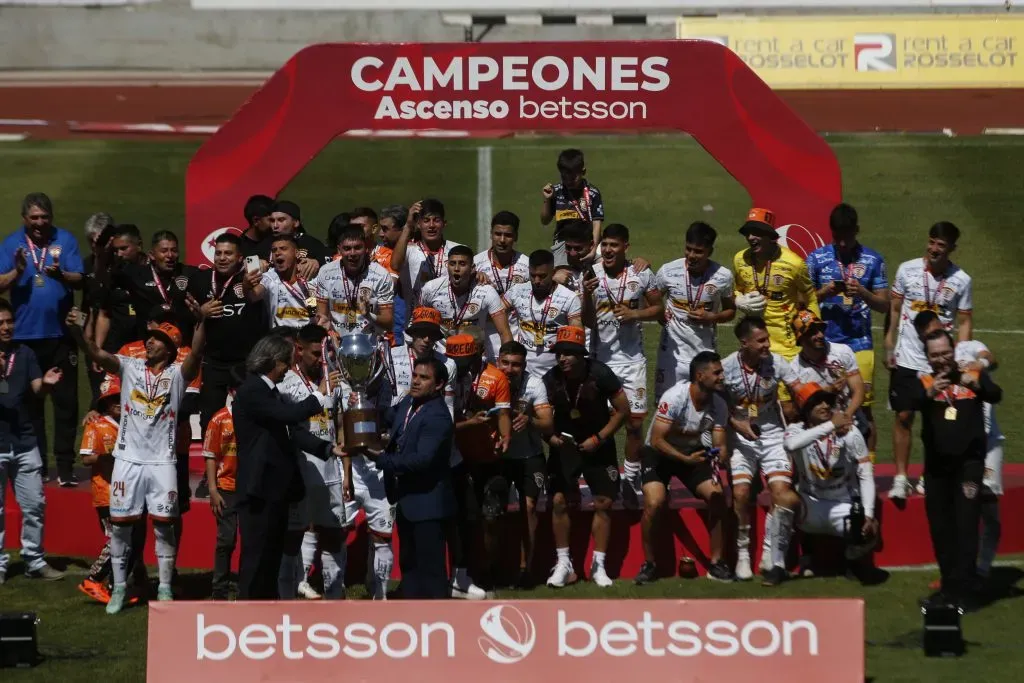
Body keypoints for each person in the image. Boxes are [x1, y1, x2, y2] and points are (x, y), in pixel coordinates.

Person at [67, 301, 207, 614]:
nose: (149, 341)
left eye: (157, 339)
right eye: (150, 337)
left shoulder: (178, 375)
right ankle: (117, 588)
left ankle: (166, 587)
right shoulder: (129, 366)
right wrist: (77, 331)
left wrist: (202, 322)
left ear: (170, 348)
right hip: (127, 462)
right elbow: (96, 353)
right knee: (120, 527)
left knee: (164, 527)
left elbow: (196, 353)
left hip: (162, 464)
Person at [232, 334, 341, 600]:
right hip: (258, 489)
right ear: (273, 362)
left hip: (274, 490)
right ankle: (248, 615)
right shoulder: (253, 390)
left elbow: (291, 431)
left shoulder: (270, 393)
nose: (288, 369)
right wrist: (319, 394)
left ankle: (266, 612)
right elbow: (289, 416)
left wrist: (327, 449)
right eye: (286, 364)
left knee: (270, 556)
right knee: (256, 559)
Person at [369, 307, 456, 599]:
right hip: (406, 502)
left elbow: (422, 460)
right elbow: (387, 416)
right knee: (410, 567)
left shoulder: (438, 417)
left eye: (424, 378)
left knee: (430, 572)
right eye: (415, 376)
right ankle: (412, 621)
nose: (416, 381)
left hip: (428, 505)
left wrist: (383, 459)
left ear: (440, 385)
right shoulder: (410, 403)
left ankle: (438, 628)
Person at [911, 330, 1001, 609]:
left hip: (968, 466)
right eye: (935, 354)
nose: (941, 359)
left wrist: (972, 384)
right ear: (928, 356)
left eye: (945, 353)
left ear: (954, 351)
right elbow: (906, 404)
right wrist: (929, 393)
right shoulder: (924, 379)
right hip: (936, 469)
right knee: (940, 528)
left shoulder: (971, 373)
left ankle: (967, 591)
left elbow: (996, 394)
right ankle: (948, 588)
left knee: (965, 526)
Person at [0, 192, 85, 485]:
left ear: (51, 218)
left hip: (61, 335)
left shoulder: (65, 240)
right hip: (24, 337)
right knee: (29, 403)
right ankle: (36, 464)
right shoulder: (12, 244)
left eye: (44, 217)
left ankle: (64, 467)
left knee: (65, 402)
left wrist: (61, 275)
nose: (39, 223)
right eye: (34, 218)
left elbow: (79, 277)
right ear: (25, 218)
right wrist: (18, 271)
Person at [885, 222, 972, 502]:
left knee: (938, 420)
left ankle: (929, 475)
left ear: (952, 249)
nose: (934, 249)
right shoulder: (907, 270)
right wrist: (889, 344)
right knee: (904, 415)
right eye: (932, 242)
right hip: (908, 357)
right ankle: (900, 478)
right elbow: (895, 309)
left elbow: (964, 321)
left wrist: (959, 356)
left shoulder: (962, 280)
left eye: (941, 245)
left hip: (938, 362)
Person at [579, 224, 662, 507]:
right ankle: (605, 475)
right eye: (604, 245)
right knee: (599, 424)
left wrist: (635, 312)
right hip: (600, 361)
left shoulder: (641, 273)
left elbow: (658, 308)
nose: (608, 250)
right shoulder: (592, 274)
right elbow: (588, 321)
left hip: (632, 361)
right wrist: (586, 295)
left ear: (626, 246)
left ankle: (631, 477)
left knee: (635, 423)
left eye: (614, 245)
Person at [635, 351, 735, 584]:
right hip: (659, 454)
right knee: (654, 502)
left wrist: (721, 453)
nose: (722, 377)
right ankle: (649, 564)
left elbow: (719, 440)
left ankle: (717, 563)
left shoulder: (718, 404)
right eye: (717, 372)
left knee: (717, 496)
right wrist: (684, 459)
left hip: (693, 455)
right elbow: (658, 440)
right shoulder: (675, 397)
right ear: (700, 376)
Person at [543, 326, 629, 588]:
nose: (562, 359)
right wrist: (551, 438)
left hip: (598, 443)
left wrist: (600, 438)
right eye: (559, 353)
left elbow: (623, 410)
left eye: (568, 353)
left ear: (581, 354)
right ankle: (563, 563)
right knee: (558, 500)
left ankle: (598, 564)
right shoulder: (550, 378)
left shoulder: (601, 373)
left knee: (603, 501)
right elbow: (540, 416)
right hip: (565, 444)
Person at [721, 316, 802, 585]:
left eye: (767, 339)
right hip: (741, 439)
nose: (767, 345)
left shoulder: (776, 362)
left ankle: (770, 551)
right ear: (744, 343)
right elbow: (717, 405)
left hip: (772, 434)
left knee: (782, 494)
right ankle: (743, 553)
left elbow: (800, 389)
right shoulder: (727, 368)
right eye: (761, 341)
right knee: (742, 493)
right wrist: (735, 423)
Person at [806, 203, 889, 461]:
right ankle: (822, 464)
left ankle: (868, 469)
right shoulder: (816, 259)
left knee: (862, 410)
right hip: (824, 345)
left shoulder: (873, 260)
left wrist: (863, 293)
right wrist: (822, 293)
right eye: (837, 237)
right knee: (820, 406)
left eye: (848, 236)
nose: (842, 243)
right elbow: (802, 302)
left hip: (859, 344)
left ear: (857, 230)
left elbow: (885, 305)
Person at [278, 324, 349, 600]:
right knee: (293, 539)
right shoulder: (286, 383)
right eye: (315, 354)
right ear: (299, 349)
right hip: (302, 471)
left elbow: (340, 425)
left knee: (333, 535)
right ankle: (285, 602)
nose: (321, 360)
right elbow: (289, 426)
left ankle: (334, 598)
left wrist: (347, 473)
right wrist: (318, 391)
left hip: (331, 471)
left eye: (324, 354)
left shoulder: (334, 379)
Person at [784, 383, 879, 583]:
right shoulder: (795, 430)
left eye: (828, 401)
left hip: (842, 503)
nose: (825, 406)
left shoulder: (849, 432)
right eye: (818, 402)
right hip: (811, 501)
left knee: (863, 520)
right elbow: (791, 445)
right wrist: (830, 426)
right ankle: (793, 560)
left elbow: (865, 473)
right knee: (782, 504)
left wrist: (869, 513)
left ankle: (853, 563)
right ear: (806, 409)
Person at [0, 298, 66, 584]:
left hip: (25, 442)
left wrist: (46, 385)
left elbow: (36, 389)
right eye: (0, 323)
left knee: (35, 505)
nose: (6, 327)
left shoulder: (24, 353)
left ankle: (34, 561)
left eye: (9, 321)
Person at [447, 332, 510, 597]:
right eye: (456, 360)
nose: (460, 365)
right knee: (465, 519)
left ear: (477, 353)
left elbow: (504, 411)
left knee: (490, 517)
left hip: (488, 456)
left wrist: (506, 436)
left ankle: (486, 574)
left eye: (465, 360)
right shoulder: (447, 375)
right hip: (460, 458)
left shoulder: (496, 376)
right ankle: (463, 574)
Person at [188, 232, 266, 438]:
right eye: (218, 253)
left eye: (228, 254)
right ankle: (211, 468)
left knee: (249, 417)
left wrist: (251, 282)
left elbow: (258, 295)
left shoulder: (250, 277)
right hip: (214, 362)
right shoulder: (201, 279)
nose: (222, 258)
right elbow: (191, 318)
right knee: (209, 420)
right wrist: (201, 313)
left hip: (247, 362)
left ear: (240, 257)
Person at [654, 221, 736, 400]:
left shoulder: (723, 276)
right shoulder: (668, 270)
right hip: (671, 356)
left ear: (710, 252)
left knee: (703, 410)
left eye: (698, 251)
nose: (691, 256)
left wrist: (712, 317)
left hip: (704, 355)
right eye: (688, 249)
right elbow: (651, 296)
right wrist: (660, 313)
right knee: (667, 410)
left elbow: (731, 311)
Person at [495, 340, 553, 588]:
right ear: (498, 361)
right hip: (498, 456)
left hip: (529, 455)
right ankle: (492, 567)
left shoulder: (534, 384)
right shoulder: (489, 380)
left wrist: (529, 420)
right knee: (492, 510)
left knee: (528, 508)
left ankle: (524, 569)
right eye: (505, 363)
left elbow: (548, 423)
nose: (509, 369)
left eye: (516, 365)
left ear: (524, 365)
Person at [733, 207, 820, 361]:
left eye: (757, 232)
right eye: (748, 232)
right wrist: (738, 300)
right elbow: (736, 290)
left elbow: (810, 299)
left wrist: (812, 332)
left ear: (770, 236)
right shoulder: (740, 259)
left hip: (787, 348)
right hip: (753, 347)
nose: (751, 237)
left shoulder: (795, 264)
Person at [77, 374, 126, 603]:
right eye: (112, 398)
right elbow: (86, 458)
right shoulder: (96, 425)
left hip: (127, 490)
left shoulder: (129, 423)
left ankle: (120, 585)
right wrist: (108, 457)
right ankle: (93, 579)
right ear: (105, 403)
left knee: (127, 538)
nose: (117, 402)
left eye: (119, 397)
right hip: (105, 492)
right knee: (116, 539)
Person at [419, 245, 512, 360]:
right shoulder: (431, 289)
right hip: (441, 357)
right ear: (447, 265)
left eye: (462, 264)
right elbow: (420, 325)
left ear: (472, 268)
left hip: (472, 357)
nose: (456, 268)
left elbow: (504, 332)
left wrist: (507, 361)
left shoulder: (487, 292)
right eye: (452, 264)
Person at [502, 249, 583, 377]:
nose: (537, 281)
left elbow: (576, 335)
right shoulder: (517, 291)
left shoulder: (569, 297)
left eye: (542, 276)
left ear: (553, 272)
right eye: (533, 275)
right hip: (523, 367)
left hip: (554, 369)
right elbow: (495, 313)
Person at [312, 225, 394, 340]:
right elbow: (322, 315)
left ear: (366, 248)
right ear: (339, 249)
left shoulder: (381, 275)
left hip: (370, 343)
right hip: (338, 342)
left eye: (357, 247)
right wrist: (325, 326)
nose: (352, 253)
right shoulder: (326, 272)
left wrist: (368, 315)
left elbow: (389, 323)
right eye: (347, 248)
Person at [789, 310, 865, 430]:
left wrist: (846, 417)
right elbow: (803, 406)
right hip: (819, 430)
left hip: (850, 420)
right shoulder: (794, 369)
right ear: (801, 338)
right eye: (813, 332)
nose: (820, 335)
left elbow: (859, 390)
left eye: (821, 329)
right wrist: (829, 391)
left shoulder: (843, 351)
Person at [203, 372, 241, 600]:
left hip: (249, 488)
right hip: (226, 488)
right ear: (231, 392)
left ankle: (247, 588)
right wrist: (213, 490)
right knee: (226, 540)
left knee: (252, 541)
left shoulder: (253, 416)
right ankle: (219, 590)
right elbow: (210, 455)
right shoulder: (219, 419)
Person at [475, 211, 530, 353]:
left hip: (518, 337)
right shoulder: (476, 264)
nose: (502, 240)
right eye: (498, 234)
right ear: (491, 234)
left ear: (516, 236)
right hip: (485, 339)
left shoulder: (527, 265)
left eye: (508, 235)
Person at [393, 198, 464, 306]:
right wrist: (408, 226)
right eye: (426, 220)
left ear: (444, 224)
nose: (431, 225)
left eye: (436, 220)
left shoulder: (458, 251)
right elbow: (395, 265)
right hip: (415, 321)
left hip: (447, 321)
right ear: (418, 224)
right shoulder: (408, 251)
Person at [540, 148, 605, 265]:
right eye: (564, 177)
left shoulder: (592, 193)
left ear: (583, 172)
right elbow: (545, 220)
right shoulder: (556, 191)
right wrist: (547, 199)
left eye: (573, 178)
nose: (569, 181)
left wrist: (594, 248)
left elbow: (597, 223)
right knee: (561, 273)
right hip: (563, 243)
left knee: (603, 265)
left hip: (588, 242)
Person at [243, 234, 317, 329]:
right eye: (274, 250)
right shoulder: (269, 277)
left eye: (283, 248)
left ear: (296, 253)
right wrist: (246, 285)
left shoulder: (309, 277)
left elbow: (316, 311)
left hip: (307, 337)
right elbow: (253, 296)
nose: (277, 253)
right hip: (281, 338)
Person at [378, 204, 414, 338]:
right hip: (385, 330)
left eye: (385, 229)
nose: (380, 234)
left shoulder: (418, 252)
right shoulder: (376, 252)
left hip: (409, 327)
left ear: (403, 229)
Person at [270, 200, 328, 276]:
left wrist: (318, 262)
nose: (275, 225)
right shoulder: (264, 244)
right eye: (272, 220)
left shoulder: (312, 244)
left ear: (296, 222)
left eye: (281, 220)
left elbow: (330, 259)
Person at [239, 194, 276, 261]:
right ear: (256, 221)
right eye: (271, 220)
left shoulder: (277, 238)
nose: (275, 225)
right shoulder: (240, 249)